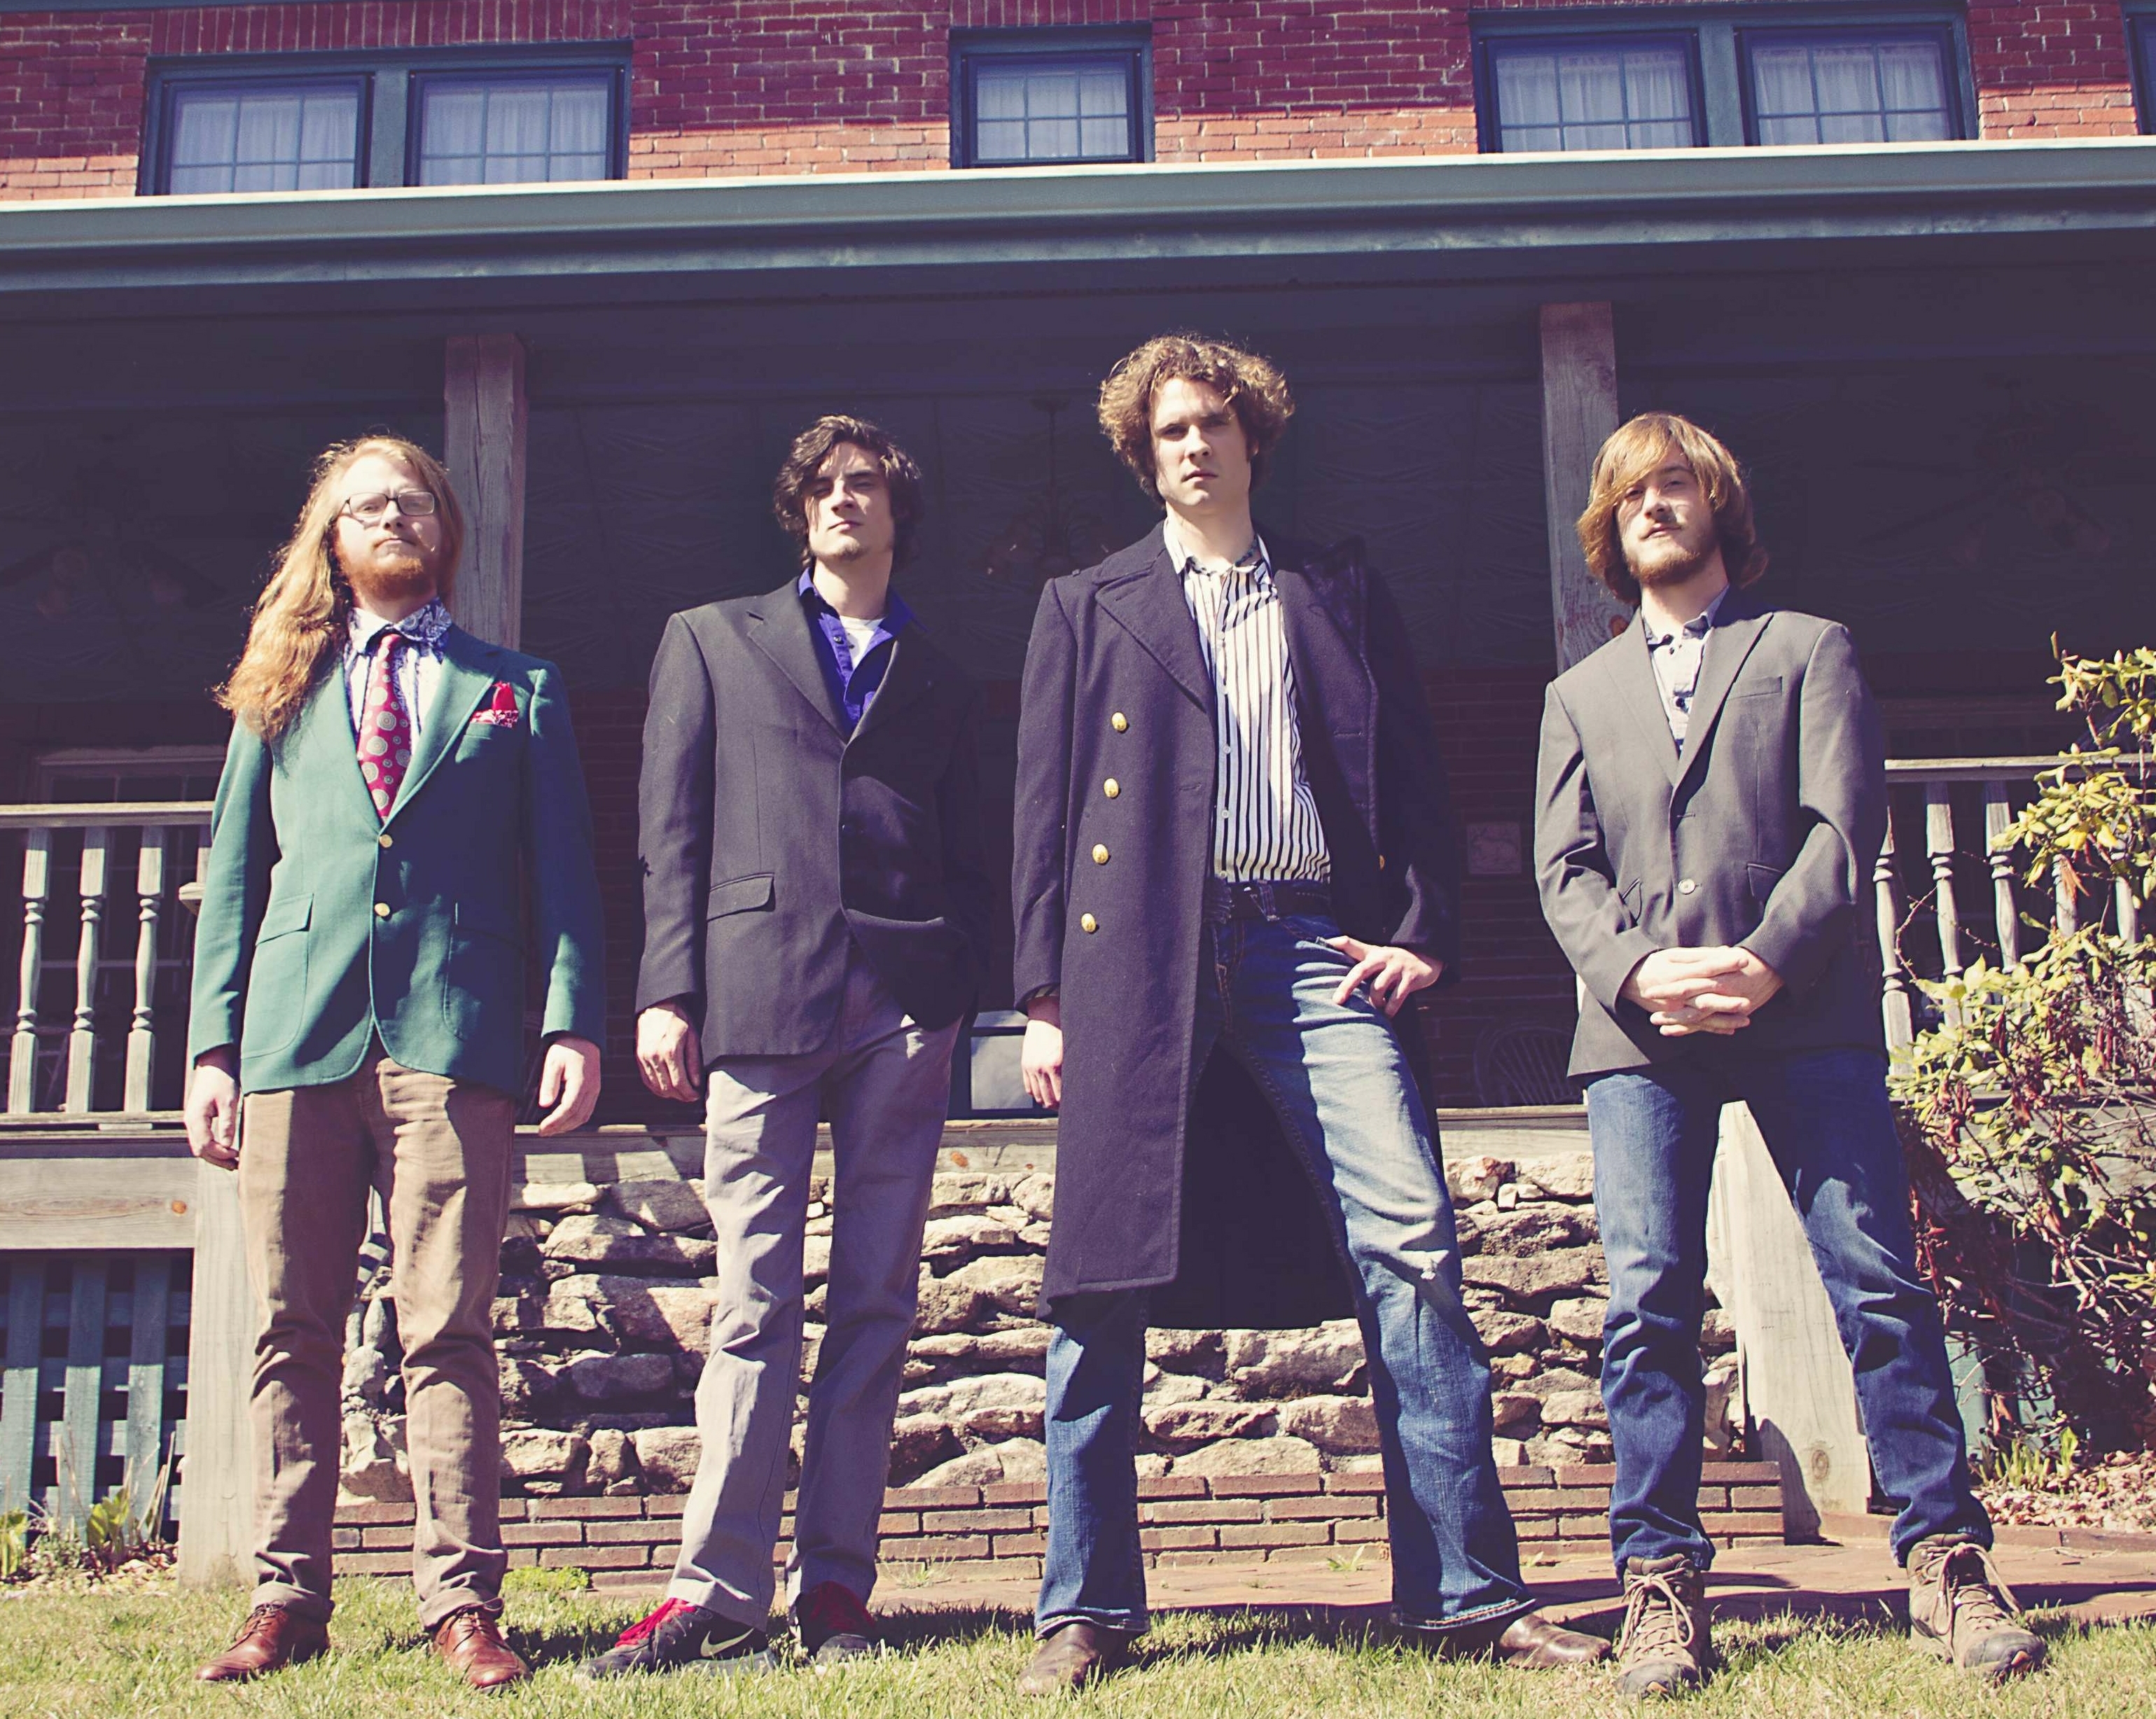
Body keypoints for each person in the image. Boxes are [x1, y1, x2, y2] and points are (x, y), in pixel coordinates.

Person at [1008, 333, 1608, 1694]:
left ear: (1253, 438)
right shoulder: (1087, 603)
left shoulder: (1334, 588)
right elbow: (1041, 811)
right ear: (1142, 453)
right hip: (1136, 963)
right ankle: (1083, 1605)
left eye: (1213, 423)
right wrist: (1043, 996)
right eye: (1169, 430)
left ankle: (1467, 1593)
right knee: (1095, 1277)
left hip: (1311, 952)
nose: (1193, 445)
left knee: (1412, 1238)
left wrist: (1423, 933)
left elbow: (1414, 775)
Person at [1533, 411, 2043, 1697]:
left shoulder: (1809, 648)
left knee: (1876, 1280)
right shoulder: (1575, 695)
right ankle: (1660, 1583)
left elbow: (1842, 827)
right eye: (1630, 493)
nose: (1655, 504)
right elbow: (1562, 868)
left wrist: (1764, 961)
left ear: (1719, 504)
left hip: (1802, 1013)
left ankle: (1947, 1559)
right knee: (1648, 1306)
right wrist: (1639, 972)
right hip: (1640, 1034)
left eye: (1676, 484)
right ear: (1608, 528)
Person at [184, 435, 606, 1689]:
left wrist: (571, 1018)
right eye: (368, 505)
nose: (392, 519)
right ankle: (286, 1597)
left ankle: (462, 1601)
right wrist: (212, 1046)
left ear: (443, 529)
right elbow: (232, 879)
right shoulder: (278, 688)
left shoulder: (516, 687)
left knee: (450, 1329)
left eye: (412, 502)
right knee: (290, 1326)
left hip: (452, 1035)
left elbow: (564, 873)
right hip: (294, 1040)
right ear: (333, 536)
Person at [581, 415, 992, 1678]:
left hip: (904, 1005)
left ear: (897, 511)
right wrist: (666, 990)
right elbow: (670, 829)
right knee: (753, 1298)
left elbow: (975, 843)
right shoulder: (712, 638)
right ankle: (717, 1592)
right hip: (757, 991)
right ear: (798, 512)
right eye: (822, 486)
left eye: (865, 484)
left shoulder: (941, 668)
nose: (843, 500)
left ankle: (837, 1589)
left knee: (875, 1301)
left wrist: (962, 986)